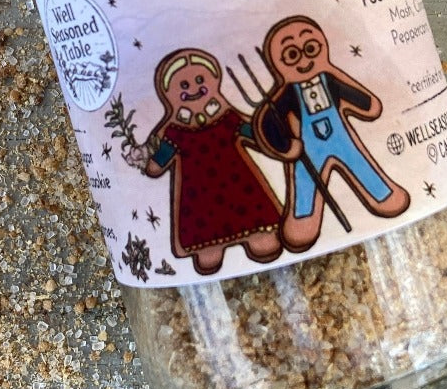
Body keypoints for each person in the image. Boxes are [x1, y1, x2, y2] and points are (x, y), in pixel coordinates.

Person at [256, 16, 410, 253]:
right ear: (279, 62)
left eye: (310, 49)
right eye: (292, 54)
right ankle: (302, 217)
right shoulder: (286, 95)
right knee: (304, 181)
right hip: (307, 145)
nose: (304, 60)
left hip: (340, 138)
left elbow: (360, 99)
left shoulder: (328, 79)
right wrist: (287, 146)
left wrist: (368, 103)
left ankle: (384, 194)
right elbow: (268, 123)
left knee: (360, 163)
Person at [143, 49, 283, 275]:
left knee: (252, 213)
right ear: (169, 94)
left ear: (215, 82)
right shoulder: (175, 131)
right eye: (184, 86)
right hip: (198, 189)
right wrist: (149, 161)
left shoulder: (227, 117)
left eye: (200, 80)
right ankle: (209, 250)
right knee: (205, 227)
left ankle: (261, 237)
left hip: (237, 179)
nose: (194, 89)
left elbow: (252, 134)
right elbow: (161, 159)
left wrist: (270, 129)